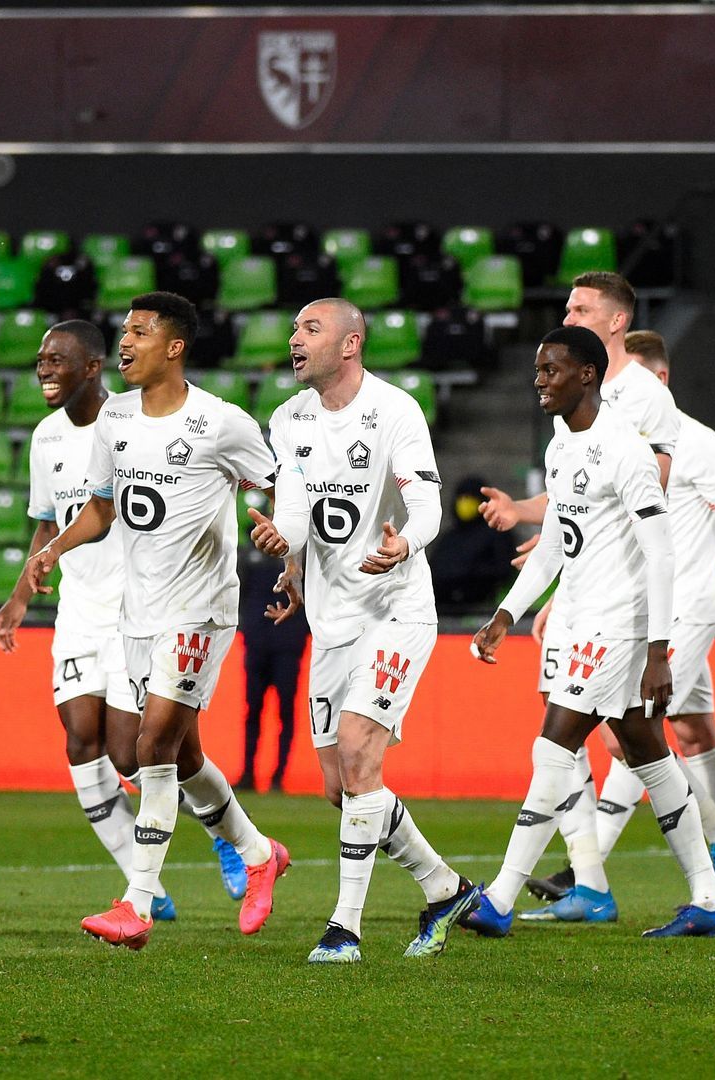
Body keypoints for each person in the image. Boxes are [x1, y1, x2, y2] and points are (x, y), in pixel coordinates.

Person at [22, 292, 290, 951]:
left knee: (152, 747)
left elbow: (280, 484)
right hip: (136, 613)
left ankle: (135, 903)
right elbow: (102, 508)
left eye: (140, 331)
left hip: (200, 608)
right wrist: (52, 549)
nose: (125, 342)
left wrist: (284, 541)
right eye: (123, 331)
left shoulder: (220, 423)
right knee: (186, 753)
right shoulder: (114, 417)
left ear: (174, 347)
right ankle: (258, 854)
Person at [461, 325, 715, 940]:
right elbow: (558, 539)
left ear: (587, 374)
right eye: (536, 371)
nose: (539, 382)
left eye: (551, 370)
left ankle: (499, 898)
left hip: (618, 625)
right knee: (643, 747)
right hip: (580, 615)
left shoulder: (625, 450)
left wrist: (659, 651)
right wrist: (508, 611)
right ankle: (711, 899)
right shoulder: (561, 445)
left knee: (553, 746)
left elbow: (660, 555)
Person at [249, 298, 481, 963]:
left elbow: (429, 506)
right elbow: (294, 512)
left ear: (349, 344)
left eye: (309, 329)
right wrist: (281, 544)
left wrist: (404, 545)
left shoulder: (395, 410)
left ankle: (344, 928)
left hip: (396, 610)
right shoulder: (288, 418)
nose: (294, 339)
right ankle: (443, 885)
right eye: (294, 329)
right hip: (333, 620)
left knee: (358, 749)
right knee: (341, 784)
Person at [0, 320, 245, 923]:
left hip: (141, 607)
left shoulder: (133, 423)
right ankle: (143, 882)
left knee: (136, 754)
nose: (44, 369)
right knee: (80, 740)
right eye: (40, 359)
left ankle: (228, 834)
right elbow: (51, 518)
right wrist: (21, 593)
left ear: (92, 366)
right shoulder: (46, 437)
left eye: (57, 359)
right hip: (80, 610)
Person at [553, 330, 715, 916]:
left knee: (625, 730)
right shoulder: (616, 443)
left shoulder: (699, 444)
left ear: (657, 381)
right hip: (647, 606)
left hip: (684, 606)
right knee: (695, 733)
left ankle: (593, 870)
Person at [236, 534, 308, 791]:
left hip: (288, 644)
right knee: (253, 709)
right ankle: (247, 773)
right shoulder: (252, 551)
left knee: (285, 711)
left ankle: (278, 776)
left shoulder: (302, 556)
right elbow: (240, 594)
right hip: (257, 642)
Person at [428, 475, 514, 609]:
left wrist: (468, 575)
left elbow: (503, 570)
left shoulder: (497, 533)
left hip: (482, 607)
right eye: (462, 498)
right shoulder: (449, 537)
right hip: (444, 608)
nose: (465, 503)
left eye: (470, 498)